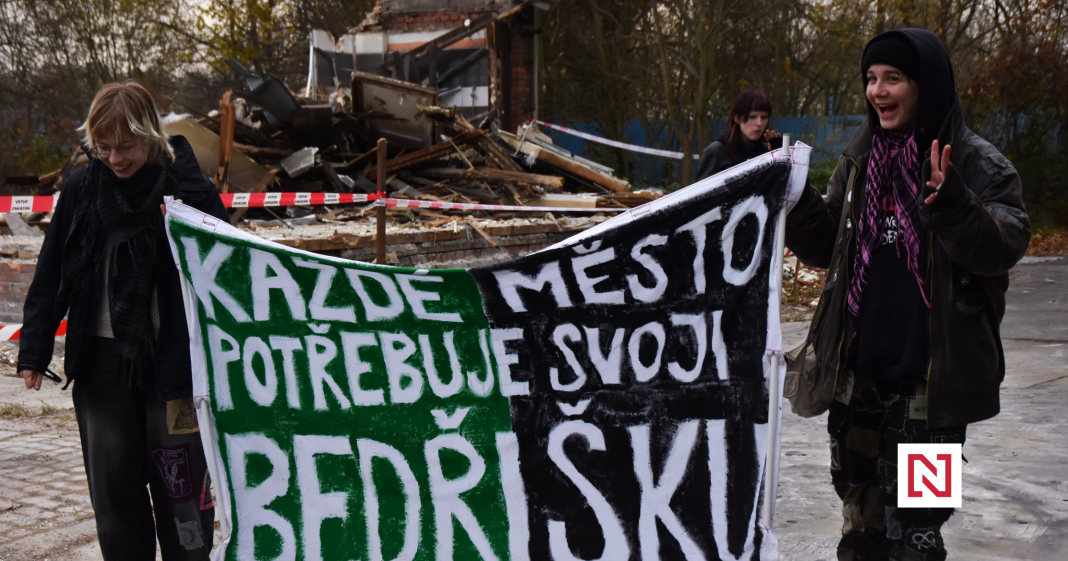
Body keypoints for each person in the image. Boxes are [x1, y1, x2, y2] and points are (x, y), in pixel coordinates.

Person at [785, 29, 1030, 561]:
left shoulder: (978, 164)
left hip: (933, 392)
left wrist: (955, 207)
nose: (878, 91)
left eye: (893, 78)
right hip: (857, 383)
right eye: (871, 79)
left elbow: (1003, 245)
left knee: (919, 535)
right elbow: (829, 244)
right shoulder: (858, 158)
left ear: (928, 85)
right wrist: (795, 203)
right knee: (859, 527)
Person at [17, 82, 228, 560]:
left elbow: (230, 261)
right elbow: (51, 273)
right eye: (104, 146)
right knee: (114, 491)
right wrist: (34, 349)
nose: (114, 158)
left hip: (175, 365)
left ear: (150, 136)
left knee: (182, 490)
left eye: (126, 146)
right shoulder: (81, 189)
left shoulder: (185, 189)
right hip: (102, 365)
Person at [693, 88, 783, 182]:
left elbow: (784, 190)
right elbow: (702, 195)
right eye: (752, 117)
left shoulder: (766, 151)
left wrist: (780, 157)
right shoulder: (716, 153)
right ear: (737, 118)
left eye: (764, 117)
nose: (759, 123)